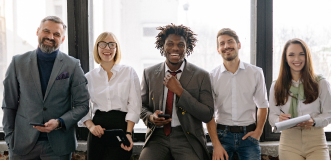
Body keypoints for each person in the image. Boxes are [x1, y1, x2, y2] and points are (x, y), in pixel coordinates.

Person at [2, 16, 89, 159]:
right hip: (22, 145)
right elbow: (8, 105)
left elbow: (83, 105)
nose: (50, 37)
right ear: (38, 31)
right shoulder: (17, 62)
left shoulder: (72, 65)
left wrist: (60, 122)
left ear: (62, 39)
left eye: (56, 34)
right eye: (46, 31)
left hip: (58, 147)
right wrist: (10, 138)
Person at [139, 24, 214, 160]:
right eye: (170, 44)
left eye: (181, 44)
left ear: (187, 47)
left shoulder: (201, 75)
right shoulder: (149, 73)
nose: (175, 48)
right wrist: (151, 117)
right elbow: (140, 106)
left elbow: (207, 114)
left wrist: (180, 91)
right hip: (158, 137)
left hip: (187, 137)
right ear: (162, 46)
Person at [77, 32, 141, 160]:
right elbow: (81, 106)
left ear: (116, 49)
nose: (107, 48)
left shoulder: (128, 72)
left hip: (122, 127)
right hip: (98, 129)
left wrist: (128, 133)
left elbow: (134, 105)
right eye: (103, 44)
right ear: (97, 48)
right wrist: (91, 127)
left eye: (112, 44)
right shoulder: (89, 77)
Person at [207, 28, 269, 160]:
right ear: (218, 50)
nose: (227, 46)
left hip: (248, 136)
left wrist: (258, 132)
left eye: (230, 42)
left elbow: (263, 105)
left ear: (239, 45)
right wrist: (216, 144)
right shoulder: (212, 76)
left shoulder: (256, 73)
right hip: (221, 136)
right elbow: (209, 114)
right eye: (222, 43)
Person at [269, 38, 331, 160]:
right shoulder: (277, 85)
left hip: (316, 140)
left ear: (307, 57)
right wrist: (278, 119)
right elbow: (272, 116)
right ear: (285, 59)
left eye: (301, 54)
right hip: (289, 140)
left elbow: (329, 114)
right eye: (291, 55)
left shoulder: (320, 83)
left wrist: (313, 121)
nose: (297, 59)